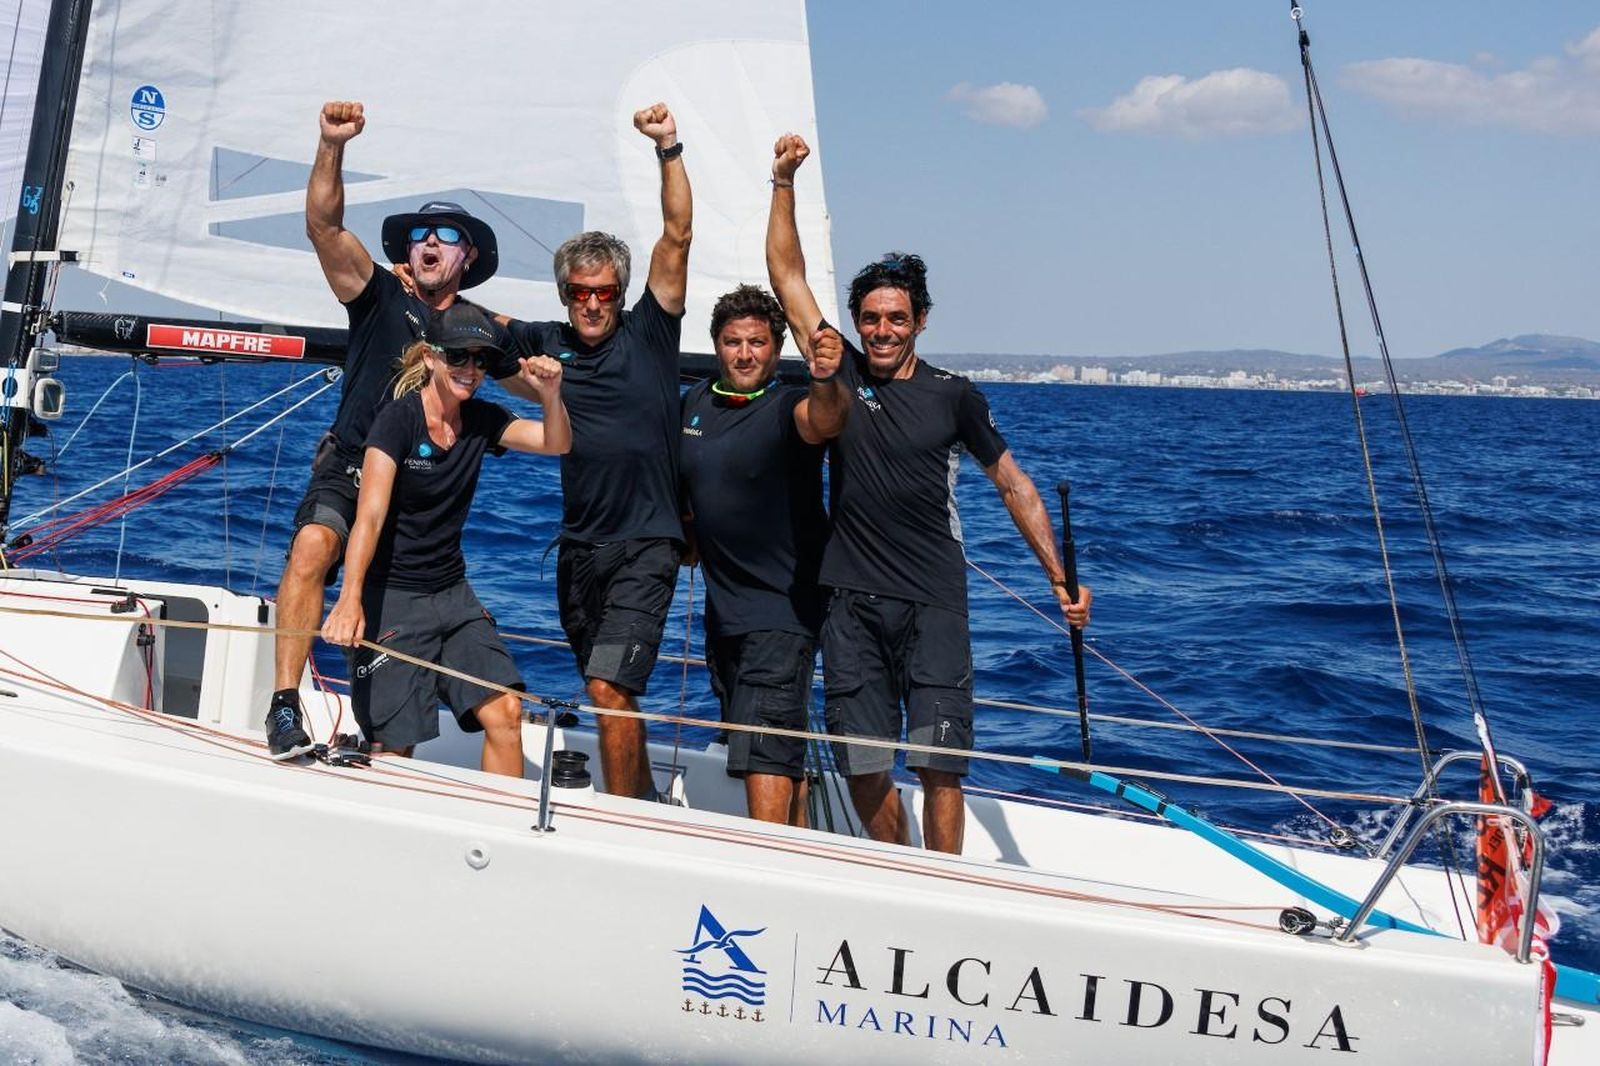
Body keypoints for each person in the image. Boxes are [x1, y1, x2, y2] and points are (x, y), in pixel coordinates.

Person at [765, 133, 1091, 854]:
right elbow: (786, 275)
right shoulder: (838, 370)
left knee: (942, 768)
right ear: (857, 322)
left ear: (920, 322)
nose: (882, 331)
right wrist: (782, 182)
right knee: (864, 765)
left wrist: (1061, 579)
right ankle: (898, 871)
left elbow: (1013, 485)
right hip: (849, 600)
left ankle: (939, 884)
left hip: (936, 602)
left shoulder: (955, 398)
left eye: (897, 318)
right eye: (871, 318)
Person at [267, 99, 524, 759]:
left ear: (469, 257)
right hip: (355, 468)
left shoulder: (478, 332)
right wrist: (331, 145)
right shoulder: (380, 294)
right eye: (420, 236)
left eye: (446, 237)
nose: (430, 244)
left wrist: (543, 373)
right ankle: (284, 706)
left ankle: (385, 742)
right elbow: (323, 226)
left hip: (418, 504)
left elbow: (534, 387)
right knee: (309, 550)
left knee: (402, 704)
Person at [502, 103, 691, 799]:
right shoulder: (544, 342)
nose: (592, 304)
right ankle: (638, 802)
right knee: (605, 689)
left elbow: (678, 233)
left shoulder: (649, 332)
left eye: (604, 292)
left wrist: (668, 148)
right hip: (578, 551)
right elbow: (479, 335)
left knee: (612, 685)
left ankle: (623, 823)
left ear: (619, 293)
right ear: (564, 294)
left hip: (647, 544)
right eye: (579, 293)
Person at [320, 304, 570, 774]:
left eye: (480, 360)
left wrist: (551, 394)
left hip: (452, 594)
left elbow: (556, 443)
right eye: (459, 357)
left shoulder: (481, 419)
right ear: (431, 357)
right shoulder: (396, 421)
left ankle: (501, 833)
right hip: (392, 597)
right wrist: (349, 598)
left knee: (506, 713)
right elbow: (369, 517)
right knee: (397, 747)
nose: (471, 370)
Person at [678, 285, 847, 825]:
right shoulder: (696, 402)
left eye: (757, 342)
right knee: (772, 760)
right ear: (716, 345)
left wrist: (823, 380)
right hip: (724, 615)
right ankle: (798, 869)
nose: (745, 353)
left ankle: (765, 876)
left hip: (781, 616)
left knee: (767, 759)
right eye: (733, 342)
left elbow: (823, 422)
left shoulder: (786, 407)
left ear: (776, 350)